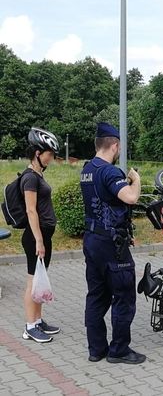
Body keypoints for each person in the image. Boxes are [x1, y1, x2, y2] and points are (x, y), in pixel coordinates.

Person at [80, 122, 146, 364]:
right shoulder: (109, 171)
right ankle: (119, 350)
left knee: (96, 295)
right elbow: (130, 197)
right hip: (111, 246)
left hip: (92, 241)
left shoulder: (87, 169)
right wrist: (135, 179)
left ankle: (96, 349)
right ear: (115, 145)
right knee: (124, 295)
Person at [21, 127, 60, 343]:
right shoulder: (30, 178)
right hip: (35, 237)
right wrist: (38, 240)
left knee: (40, 281)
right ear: (38, 153)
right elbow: (30, 210)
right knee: (32, 282)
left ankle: (38, 321)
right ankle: (29, 326)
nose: (51, 158)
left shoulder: (38, 175)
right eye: (49, 154)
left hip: (44, 236)